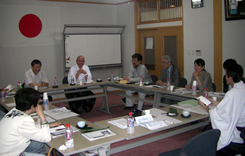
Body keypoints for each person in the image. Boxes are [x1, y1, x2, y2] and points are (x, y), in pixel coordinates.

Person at [198, 64, 245, 154]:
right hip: (243, 127)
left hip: (237, 132)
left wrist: (204, 106)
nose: (225, 77)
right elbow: (235, 106)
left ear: (230, 77)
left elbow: (219, 114)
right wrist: (216, 103)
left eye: (226, 75)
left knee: (206, 132)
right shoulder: (242, 88)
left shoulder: (232, 93)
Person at [0, 88, 61, 156]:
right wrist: (41, 115)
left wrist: (48, 125)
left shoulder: (13, 111)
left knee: (37, 144)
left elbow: (25, 128)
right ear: (32, 106)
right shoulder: (25, 120)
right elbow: (46, 138)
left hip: (5, 151)